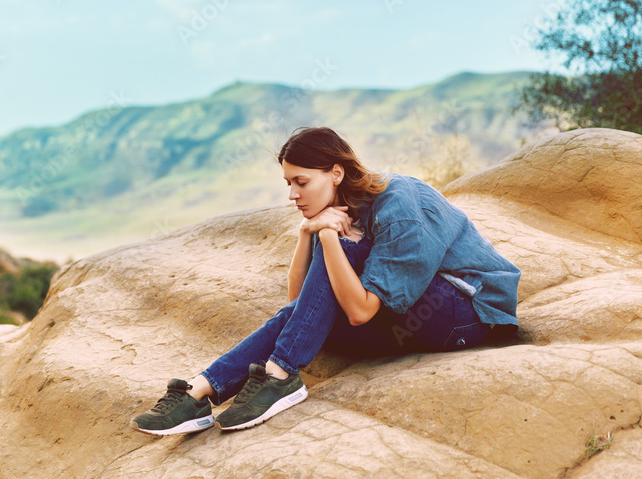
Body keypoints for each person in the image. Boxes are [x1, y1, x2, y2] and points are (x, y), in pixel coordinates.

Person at [130, 126, 521, 435]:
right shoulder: (338, 209)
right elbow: (301, 306)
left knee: (345, 252)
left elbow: (359, 311)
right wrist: (307, 234)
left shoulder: (399, 205)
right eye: (288, 183)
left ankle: (280, 376)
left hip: (467, 311)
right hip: (410, 317)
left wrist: (330, 237)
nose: (292, 194)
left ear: (336, 173)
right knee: (320, 287)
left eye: (301, 182)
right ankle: (198, 394)